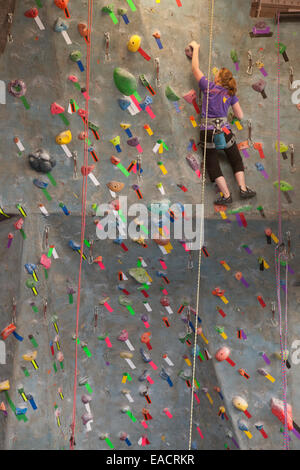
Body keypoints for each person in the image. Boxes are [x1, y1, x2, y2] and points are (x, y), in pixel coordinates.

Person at [189, 41, 256, 205]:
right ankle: (243, 188)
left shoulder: (208, 87)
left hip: (208, 131)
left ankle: (226, 195)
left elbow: (195, 69)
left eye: (216, 74)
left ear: (218, 78)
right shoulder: (231, 93)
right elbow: (240, 115)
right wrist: (228, 114)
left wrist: (196, 49)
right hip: (225, 131)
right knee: (235, 159)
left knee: (212, 164)